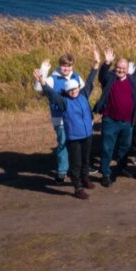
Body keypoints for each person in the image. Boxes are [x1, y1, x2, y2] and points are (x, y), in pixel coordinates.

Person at [34, 57, 98, 198]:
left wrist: (96, 65)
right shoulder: (64, 102)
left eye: (75, 89)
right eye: (70, 90)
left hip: (87, 134)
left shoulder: (83, 95)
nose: (73, 91)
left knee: (86, 159)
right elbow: (51, 94)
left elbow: (89, 81)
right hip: (74, 137)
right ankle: (77, 187)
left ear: (78, 88)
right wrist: (42, 80)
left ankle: (85, 179)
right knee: (76, 163)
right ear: (67, 92)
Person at [94, 49, 136, 186]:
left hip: (127, 122)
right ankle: (105, 173)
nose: (120, 70)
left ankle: (121, 168)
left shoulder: (133, 81)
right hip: (110, 120)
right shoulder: (110, 78)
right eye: (118, 67)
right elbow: (102, 76)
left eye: (123, 68)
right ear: (115, 67)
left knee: (125, 147)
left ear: (128, 70)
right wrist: (107, 63)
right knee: (107, 148)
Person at [35, 53, 84, 185]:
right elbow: (39, 88)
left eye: (69, 65)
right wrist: (43, 71)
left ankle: (80, 169)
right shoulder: (53, 79)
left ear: (72, 65)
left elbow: (83, 93)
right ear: (59, 65)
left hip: (75, 118)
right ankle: (62, 172)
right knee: (63, 144)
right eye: (63, 65)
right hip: (60, 118)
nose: (66, 68)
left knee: (78, 144)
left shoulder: (76, 76)